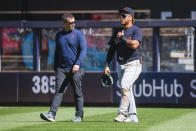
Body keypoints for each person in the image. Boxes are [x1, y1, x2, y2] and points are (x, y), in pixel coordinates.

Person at [40, 14, 87, 122]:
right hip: (61, 69)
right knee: (58, 91)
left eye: (74, 22)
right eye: (71, 23)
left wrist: (77, 64)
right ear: (64, 23)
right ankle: (52, 114)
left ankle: (79, 116)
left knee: (77, 92)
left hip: (76, 69)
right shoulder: (59, 35)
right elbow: (57, 52)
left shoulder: (78, 34)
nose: (73, 24)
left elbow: (83, 50)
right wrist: (55, 67)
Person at [104, 7, 142, 122]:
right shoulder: (117, 32)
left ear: (130, 17)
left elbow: (135, 45)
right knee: (127, 89)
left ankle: (122, 113)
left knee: (125, 86)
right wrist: (107, 65)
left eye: (124, 15)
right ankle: (133, 116)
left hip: (133, 64)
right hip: (121, 64)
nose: (121, 17)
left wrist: (122, 38)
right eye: (120, 15)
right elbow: (111, 50)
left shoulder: (136, 30)